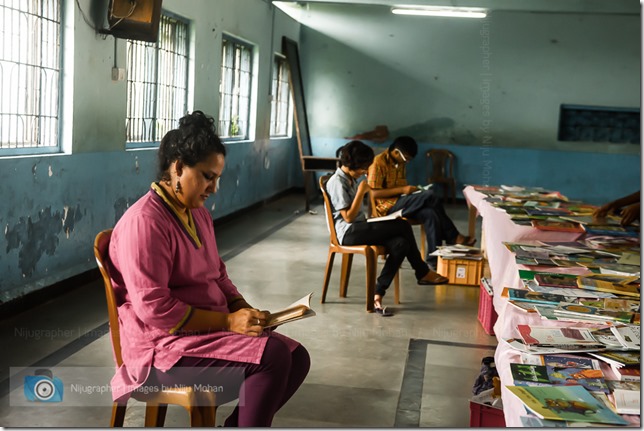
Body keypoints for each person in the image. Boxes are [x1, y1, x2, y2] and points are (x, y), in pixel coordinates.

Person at [107, 110, 310, 427]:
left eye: (217, 177)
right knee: (272, 357)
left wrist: (243, 309)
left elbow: (217, 274)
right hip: (162, 347)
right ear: (177, 168)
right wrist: (229, 322)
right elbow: (155, 310)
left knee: (296, 357)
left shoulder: (196, 212)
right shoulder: (145, 223)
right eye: (207, 176)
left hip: (204, 333)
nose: (214, 188)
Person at [325, 140, 449, 317]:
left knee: (400, 244)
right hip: (347, 233)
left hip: (359, 227)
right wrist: (361, 192)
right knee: (403, 224)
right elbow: (348, 217)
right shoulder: (337, 182)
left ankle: (378, 292)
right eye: (364, 168)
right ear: (353, 164)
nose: (365, 172)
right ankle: (422, 272)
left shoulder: (350, 179)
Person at [367, 136, 474, 265]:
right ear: (395, 152)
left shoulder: (400, 163)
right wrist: (403, 190)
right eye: (406, 158)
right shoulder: (377, 163)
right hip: (387, 208)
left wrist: (410, 191)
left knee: (430, 214)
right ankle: (452, 236)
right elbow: (373, 193)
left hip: (402, 202)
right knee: (430, 195)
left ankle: (434, 260)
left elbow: (402, 190)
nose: (406, 162)